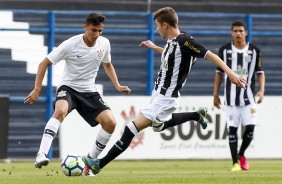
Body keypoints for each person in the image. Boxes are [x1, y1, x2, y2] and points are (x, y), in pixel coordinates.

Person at [82, 7, 247, 175]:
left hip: (166, 97)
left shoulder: (185, 41)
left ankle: (98, 164)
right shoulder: (173, 42)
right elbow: (171, 55)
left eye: (157, 25)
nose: (157, 29)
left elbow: (211, 55)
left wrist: (231, 74)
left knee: (130, 129)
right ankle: (196, 115)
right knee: (158, 127)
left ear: (166, 25)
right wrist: (154, 47)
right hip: (158, 94)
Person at [24, 13, 131, 175]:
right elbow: (44, 63)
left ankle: (89, 161)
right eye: (93, 30)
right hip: (69, 88)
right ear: (85, 27)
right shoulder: (71, 44)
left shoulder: (104, 43)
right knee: (60, 111)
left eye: (100, 31)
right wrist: (37, 89)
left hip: (90, 91)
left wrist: (117, 85)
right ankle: (41, 154)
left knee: (111, 123)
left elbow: (107, 64)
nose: (97, 35)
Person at [213, 20, 265, 171]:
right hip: (230, 99)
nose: (238, 33)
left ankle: (241, 154)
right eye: (235, 31)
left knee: (250, 129)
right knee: (233, 130)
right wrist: (215, 94)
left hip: (249, 99)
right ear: (231, 33)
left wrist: (261, 90)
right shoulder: (224, 51)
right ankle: (235, 163)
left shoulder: (255, 51)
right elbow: (218, 75)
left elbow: (260, 73)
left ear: (246, 33)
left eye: (241, 31)